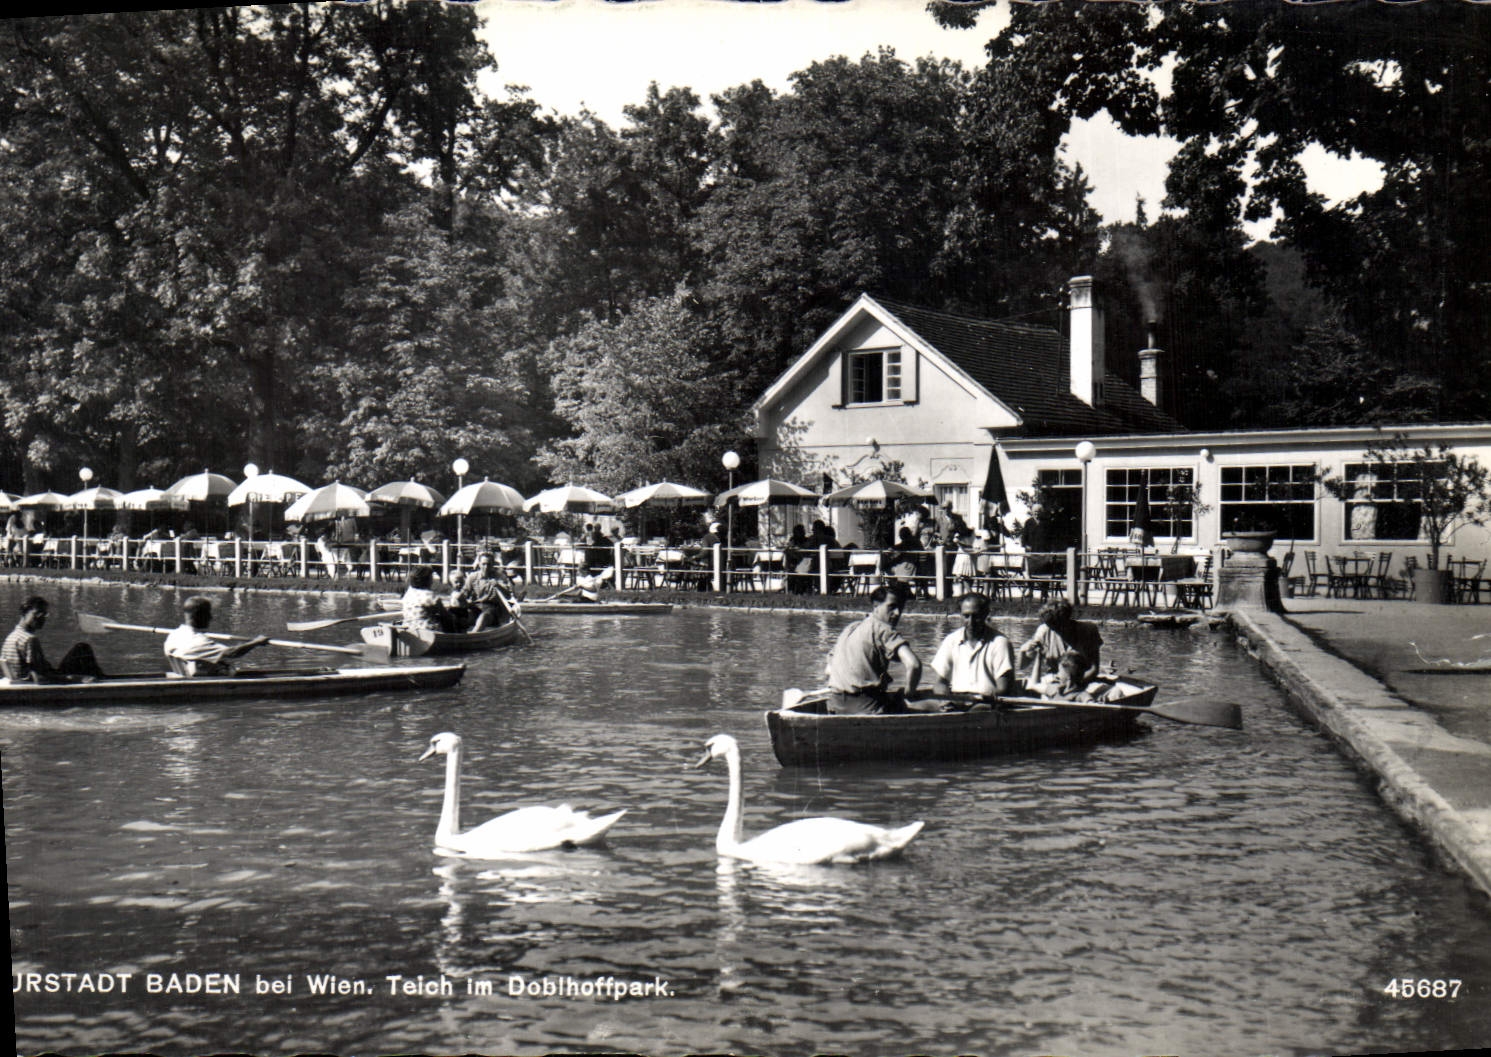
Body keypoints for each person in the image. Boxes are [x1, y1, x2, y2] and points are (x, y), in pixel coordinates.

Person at [823, 583, 923, 714]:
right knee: (925, 704)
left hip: (835, 705)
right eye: (892, 607)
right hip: (866, 706)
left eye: (900, 608)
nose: (897, 613)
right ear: (876, 606)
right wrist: (909, 693)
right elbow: (914, 665)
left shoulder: (851, 628)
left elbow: (828, 670)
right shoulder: (883, 630)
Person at [1, 596, 106, 683]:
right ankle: (102, 682)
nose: (41, 617)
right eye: (37, 613)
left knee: (81, 649)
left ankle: (100, 678)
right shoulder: (30, 639)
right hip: (40, 680)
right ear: (24, 613)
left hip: (22, 680)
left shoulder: (10, 637)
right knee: (82, 648)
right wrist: (77, 678)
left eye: (44, 614)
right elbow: (40, 677)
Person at [930, 592, 1015, 701]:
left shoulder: (1000, 642)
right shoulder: (951, 640)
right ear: (960, 615)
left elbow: (1003, 689)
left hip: (987, 703)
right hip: (957, 701)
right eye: (966, 616)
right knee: (919, 706)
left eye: (976, 616)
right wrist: (946, 699)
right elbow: (939, 683)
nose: (971, 622)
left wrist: (976, 699)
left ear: (985, 614)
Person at [162, 596, 270, 678]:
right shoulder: (199, 641)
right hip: (201, 679)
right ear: (201, 616)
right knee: (227, 665)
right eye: (209, 613)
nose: (211, 617)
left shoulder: (174, 634)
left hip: (184, 674)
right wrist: (256, 642)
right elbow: (232, 653)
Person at [1016, 598, 1104, 683]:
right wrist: (1022, 650)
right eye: (1051, 627)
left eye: (1057, 626)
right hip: (1054, 680)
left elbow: (1094, 669)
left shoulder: (1088, 630)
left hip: (1083, 681)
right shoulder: (1044, 630)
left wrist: (1073, 685)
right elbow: (1022, 666)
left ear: (1067, 619)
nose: (1055, 630)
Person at [462, 551, 516, 630]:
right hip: (476, 607)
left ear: (493, 564)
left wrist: (498, 585)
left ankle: (472, 636)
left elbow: (508, 595)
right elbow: (464, 594)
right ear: (479, 564)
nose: (486, 567)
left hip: (493, 610)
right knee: (463, 615)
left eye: (489, 564)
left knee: (484, 616)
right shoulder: (472, 577)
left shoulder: (499, 576)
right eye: (483, 564)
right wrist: (464, 600)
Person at [401, 565, 449, 632]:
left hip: (409, 626)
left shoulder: (409, 592)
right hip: (426, 629)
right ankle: (456, 637)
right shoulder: (429, 595)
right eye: (431, 578)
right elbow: (444, 613)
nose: (432, 581)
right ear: (426, 580)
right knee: (448, 619)